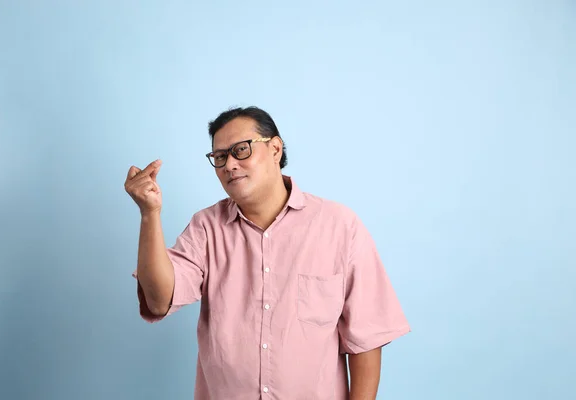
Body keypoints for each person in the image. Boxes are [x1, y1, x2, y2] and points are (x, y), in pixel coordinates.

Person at [124, 106, 410, 400]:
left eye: (241, 150)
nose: (229, 164)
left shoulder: (339, 226)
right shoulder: (206, 228)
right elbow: (159, 301)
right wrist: (150, 213)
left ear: (275, 148)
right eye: (220, 157)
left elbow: (366, 340)